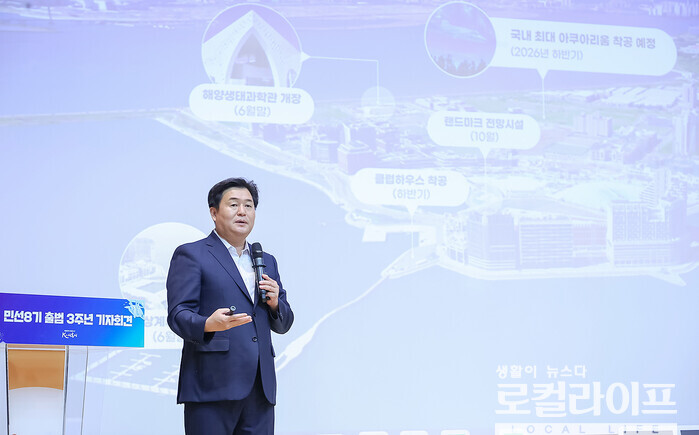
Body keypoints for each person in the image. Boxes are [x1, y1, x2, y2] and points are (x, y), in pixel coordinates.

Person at [166, 177, 294, 435]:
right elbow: (178, 314)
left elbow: (283, 323)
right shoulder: (192, 254)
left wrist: (274, 304)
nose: (242, 212)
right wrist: (207, 324)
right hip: (212, 385)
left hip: (260, 388)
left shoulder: (266, 260)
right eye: (234, 205)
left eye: (248, 206)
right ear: (214, 213)